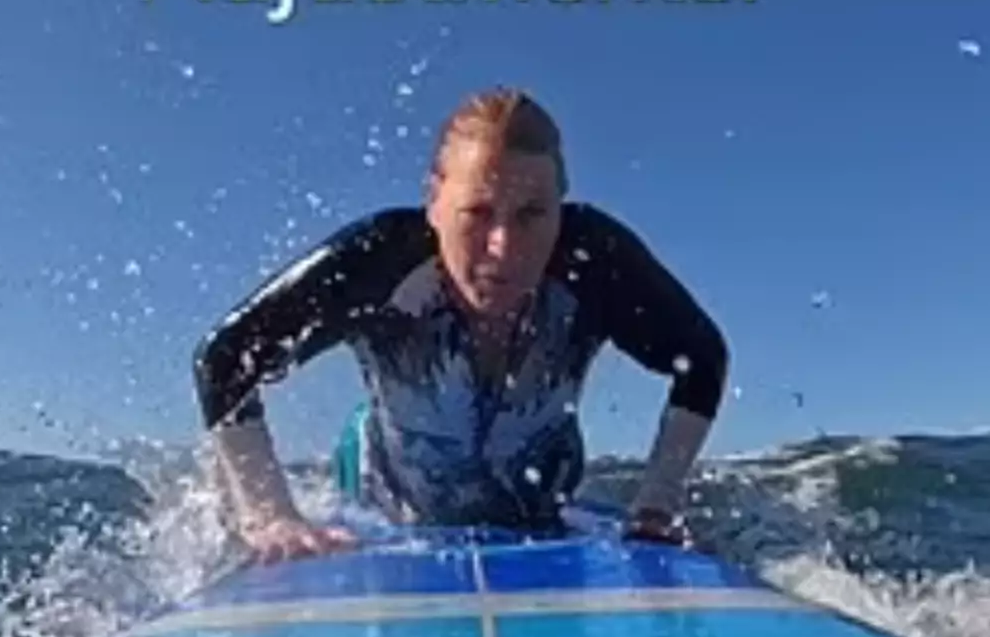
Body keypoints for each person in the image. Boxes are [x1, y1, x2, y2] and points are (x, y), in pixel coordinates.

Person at [193, 88, 730, 563]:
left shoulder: (593, 263)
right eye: (477, 212)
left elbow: (701, 358)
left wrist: (658, 502)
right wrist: (270, 516)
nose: (504, 247)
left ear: (560, 212)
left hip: (538, 498)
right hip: (384, 488)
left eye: (531, 214)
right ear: (434, 204)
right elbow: (225, 359)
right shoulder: (378, 264)